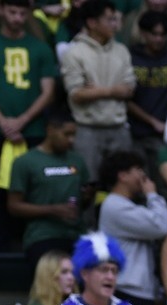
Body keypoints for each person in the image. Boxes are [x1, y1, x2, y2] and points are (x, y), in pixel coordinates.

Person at [0, 0, 58, 240]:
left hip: (33, 130)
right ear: (0, 11)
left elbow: (48, 91)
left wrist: (22, 120)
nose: (17, 18)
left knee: (32, 190)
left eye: (22, 13)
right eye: (12, 12)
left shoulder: (40, 48)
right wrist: (3, 121)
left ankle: (29, 240)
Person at [62, 0, 137, 178]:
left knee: (123, 183)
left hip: (119, 128)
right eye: (110, 20)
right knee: (88, 185)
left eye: (115, 19)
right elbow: (76, 93)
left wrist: (95, 91)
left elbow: (129, 88)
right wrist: (112, 91)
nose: (115, 24)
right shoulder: (74, 52)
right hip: (87, 130)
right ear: (92, 23)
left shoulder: (122, 50)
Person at [9, 112, 89, 271]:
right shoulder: (25, 162)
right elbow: (14, 206)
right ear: (50, 130)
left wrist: (87, 196)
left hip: (76, 234)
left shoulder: (77, 160)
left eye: (74, 135)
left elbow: (84, 197)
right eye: (66, 134)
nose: (71, 140)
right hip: (42, 236)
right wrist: (53, 210)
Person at [96, 149, 167, 305]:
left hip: (137, 290)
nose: (143, 176)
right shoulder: (115, 206)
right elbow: (159, 226)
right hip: (127, 291)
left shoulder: (124, 205)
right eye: (138, 170)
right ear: (122, 176)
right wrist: (152, 194)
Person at [130, 11, 167, 166]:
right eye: (154, 34)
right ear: (143, 33)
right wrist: (152, 121)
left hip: (165, 135)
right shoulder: (129, 59)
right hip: (133, 133)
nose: (158, 39)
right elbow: (124, 100)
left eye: (163, 35)